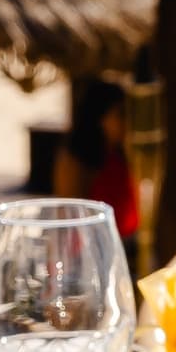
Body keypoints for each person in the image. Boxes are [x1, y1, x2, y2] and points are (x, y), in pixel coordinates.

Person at [53, 75, 138, 240]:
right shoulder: (77, 159)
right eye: (120, 114)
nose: (127, 122)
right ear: (100, 118)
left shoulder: (119, 155)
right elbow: (68, 217)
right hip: (87, 251)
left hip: (122, 243)